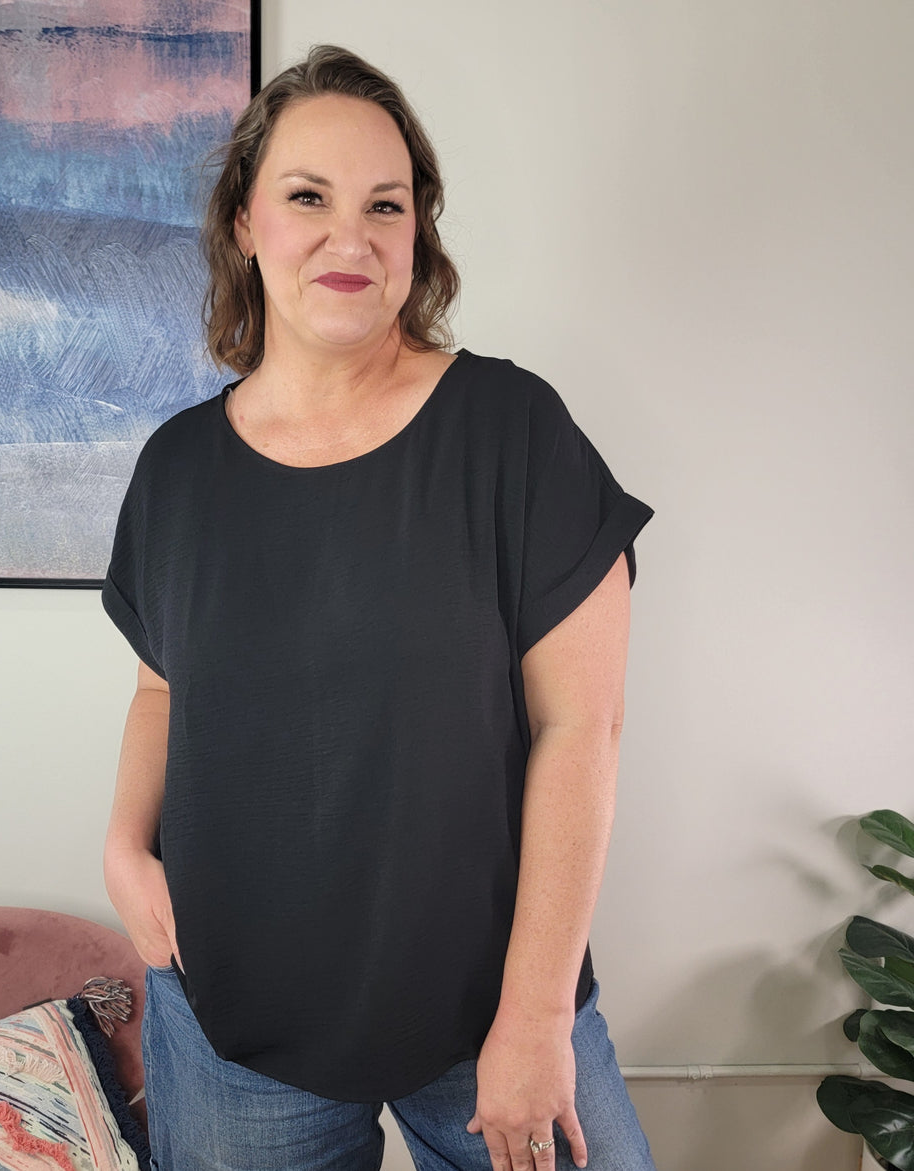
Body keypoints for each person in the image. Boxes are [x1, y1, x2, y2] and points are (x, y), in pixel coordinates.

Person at [102, 44, 656, 1171]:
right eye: (308, 197)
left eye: (385, 205)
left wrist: (537, 1021)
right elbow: (162, 689)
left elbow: (581, 728)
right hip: (233, 1030)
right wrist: (121, 844)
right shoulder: (176, 470)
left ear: (419, 234)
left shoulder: (513, 434)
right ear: (246, 224)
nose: (349, 237)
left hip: (491, 1016)